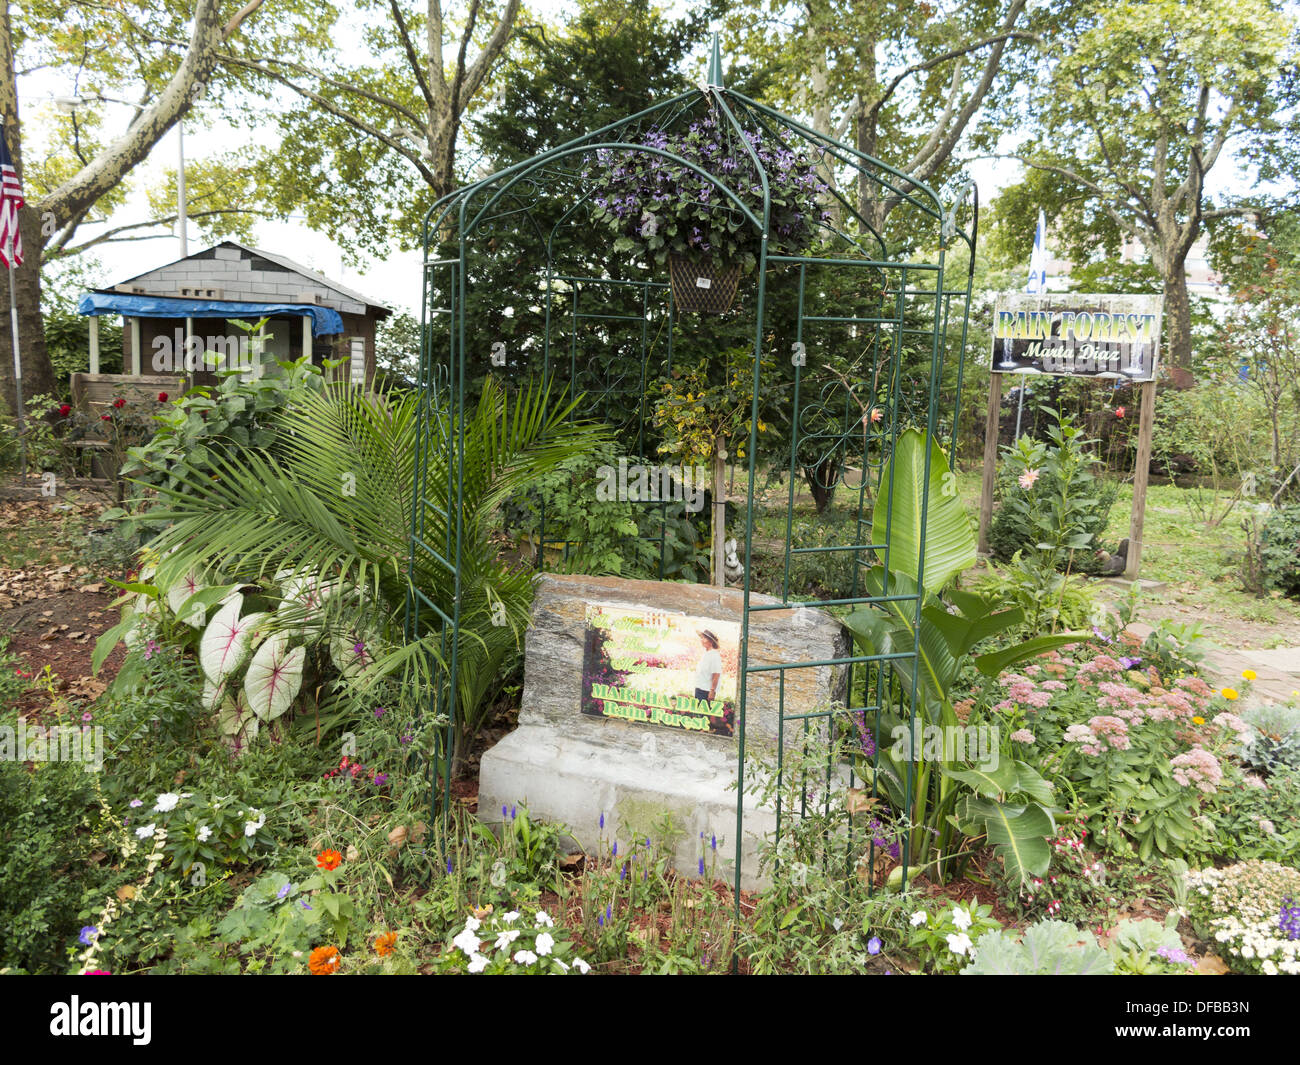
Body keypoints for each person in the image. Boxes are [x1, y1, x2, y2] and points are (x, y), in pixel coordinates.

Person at [694, 629, 723, 704]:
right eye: (702, 638)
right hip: (700, 688)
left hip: (706, 691)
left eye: (704, 638)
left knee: (703, 713)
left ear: (711, 641)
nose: (702, 640)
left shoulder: (714, 655)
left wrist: (712, 691)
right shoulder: (706, 653)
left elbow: (716, 674)